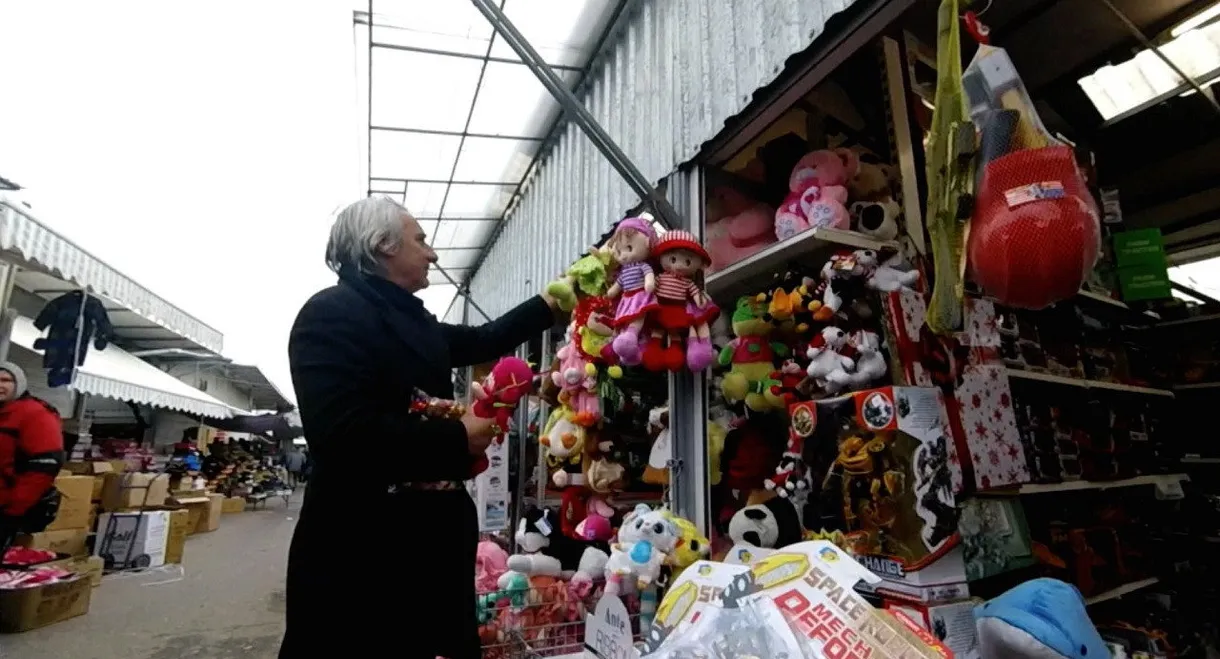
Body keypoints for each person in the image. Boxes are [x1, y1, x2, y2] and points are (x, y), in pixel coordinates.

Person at [280, 197, 558, 659]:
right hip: (364, 549)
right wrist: (458, 435)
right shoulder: (331, 314)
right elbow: (343, 435)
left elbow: (484, 340)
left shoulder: (410, 318)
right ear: (383, 245)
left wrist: (553, 300)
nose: (431, 254)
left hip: (429, 543)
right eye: (421, 240)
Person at [0, 362, 65, 554]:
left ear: (19, 384)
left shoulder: (35, 414)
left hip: (7, 505)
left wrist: (14, 510)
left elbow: (45, 466)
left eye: (6, 380)